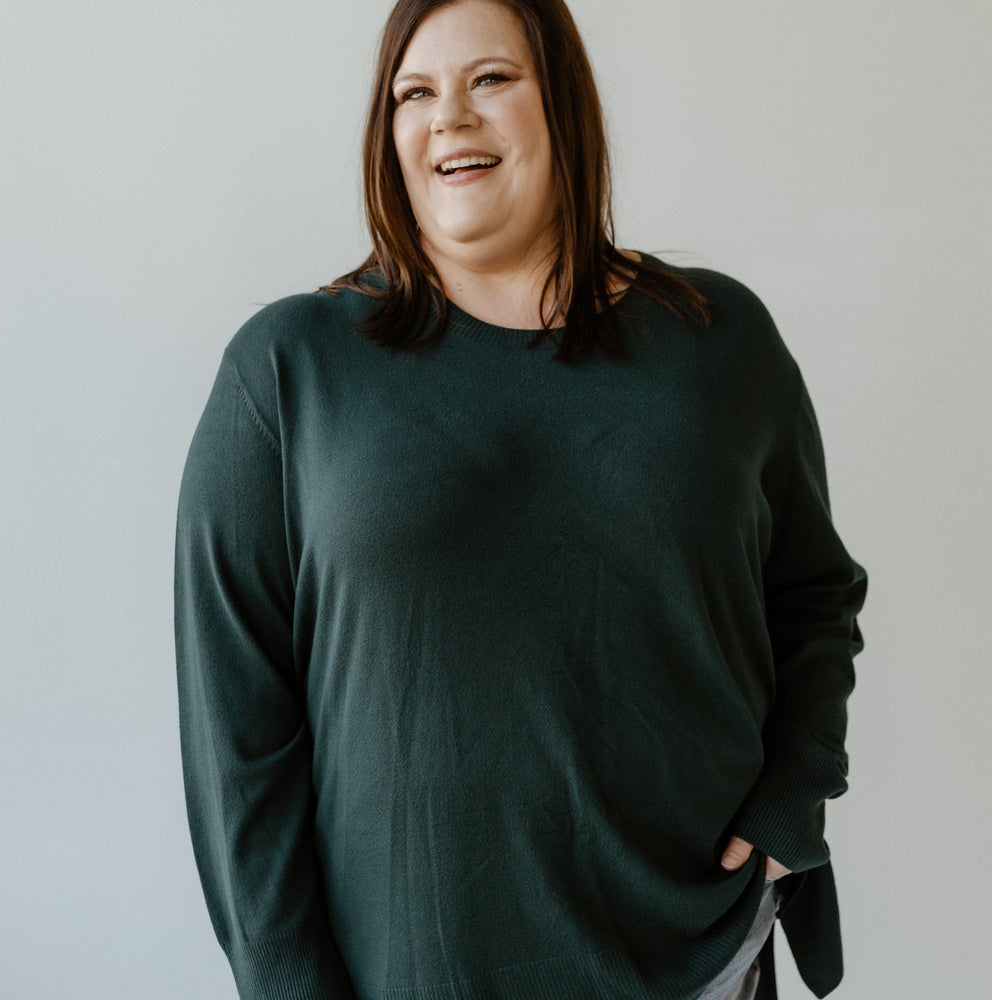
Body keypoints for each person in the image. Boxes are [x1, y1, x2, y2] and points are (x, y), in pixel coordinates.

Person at [173, 0, 868, 998]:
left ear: (566, 108)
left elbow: (811, 593)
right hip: (407, 971)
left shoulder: (719, 340)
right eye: (415, 92)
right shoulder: (288, 372)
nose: (449, 117)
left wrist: (796, 789)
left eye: (490, 79)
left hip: (700, 955)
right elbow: (236, 733)